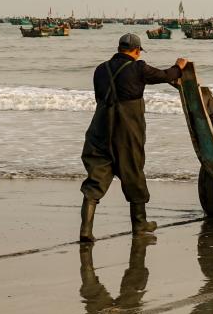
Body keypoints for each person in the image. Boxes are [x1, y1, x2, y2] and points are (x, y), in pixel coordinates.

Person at [79, 33, 188, 242]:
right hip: (127, 131)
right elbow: (165, 75)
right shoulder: (139, 68)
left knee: (96, 175)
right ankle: (139, 224)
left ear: (119, 48)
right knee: (133, 171)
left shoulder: (101, 68)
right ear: (137, 51)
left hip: (99, 129)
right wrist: (179, 67)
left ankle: (86, 230)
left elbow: (100, 96)